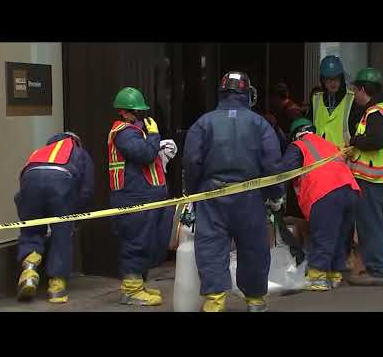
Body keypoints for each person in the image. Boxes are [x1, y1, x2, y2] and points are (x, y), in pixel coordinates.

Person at [182, 71, 284, 312]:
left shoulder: (203, 123)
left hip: (212, 196)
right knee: (254, 248)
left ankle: (215, 302)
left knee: (211, 247)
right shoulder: (261, 124)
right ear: (247, 94)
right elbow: (272, 164)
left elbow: (192, 162)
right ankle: (255, 301)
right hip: (251, 197)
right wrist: (275, 194)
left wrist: (194, 194)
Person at [108, 87, 176, 307]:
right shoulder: (125, 132)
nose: (140, 116)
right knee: (136, 242)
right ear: (125, 112)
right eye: (136, 112)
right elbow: (145, 155)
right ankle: (131, 290)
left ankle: (138, 284)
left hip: (143, 196)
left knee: (145, 242)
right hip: (134, 198)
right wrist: (155, 137)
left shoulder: (133, 131)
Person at [277, 118, 359, 290]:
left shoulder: (299, 146)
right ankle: (335, 274)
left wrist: (274, 196)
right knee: (339, 236)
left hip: (326, 194)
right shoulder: (327, 143)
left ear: (295, 135)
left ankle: (317, 277)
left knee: (323, 236)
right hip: (350, 191)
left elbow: (283, 172)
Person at [15, 132, 94, 303]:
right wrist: (75, 214)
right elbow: (86, 190)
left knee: (31, 230)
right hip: (62, 182)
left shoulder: (39, 152)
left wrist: (25, 210)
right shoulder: (80, 152)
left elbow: (22, 184)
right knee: (61, 236)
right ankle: (56, 287)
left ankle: (29, 271)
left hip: (30, 183)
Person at [346, 68, 383, 286]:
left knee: (370, 226)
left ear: (363, 89)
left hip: (371, 181)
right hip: (377, 180)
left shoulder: (375, 113)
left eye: (355, 90)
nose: (354, 95)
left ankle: (376, 271)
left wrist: (356, 141)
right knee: (376, 225)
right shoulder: (379, 110)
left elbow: (376, 141)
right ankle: (377, 266)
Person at [307, 55, 361, 148]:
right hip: (320, 157)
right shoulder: (316, 99)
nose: (333, 82)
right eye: (329, 79)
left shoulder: (352, 99)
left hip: (342, 158)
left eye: (336, 78)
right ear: (323, 80)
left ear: (341, 78)